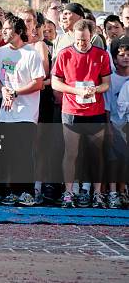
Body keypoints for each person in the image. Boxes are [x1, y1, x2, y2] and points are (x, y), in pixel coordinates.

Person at [52, 20, 111, 208]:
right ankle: (68, 192)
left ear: (91, 36)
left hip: (95, 110)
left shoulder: (101, 55)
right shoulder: (65, 54)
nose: (81, 44)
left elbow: (106, 83)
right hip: (71, 110)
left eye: (84, 40)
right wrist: (76, 91)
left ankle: (98, 194)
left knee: (96, 154)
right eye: (78, 40)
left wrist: (94, 89)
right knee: (71, 153)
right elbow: (55, 83)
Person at [0, 16, 45, 206]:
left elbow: (38, 83)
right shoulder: (0, 53)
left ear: (19, 31)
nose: (3, 32)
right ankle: (11, 191)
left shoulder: (31, 54)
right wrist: (4, 89)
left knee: (23, 153)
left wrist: (15, 92)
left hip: (26, 112)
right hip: (5, 112)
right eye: (3, 29)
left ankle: (27, 192)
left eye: (7, 29)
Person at [105, 38, 129, 208]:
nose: (126, 57)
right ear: (114, 59)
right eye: (121, 55)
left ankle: (123, 191)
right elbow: (106, 105)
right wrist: (108, 126)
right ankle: (112, 192)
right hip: (113, 123)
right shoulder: (111, 79)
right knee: (114, 159)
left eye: (128, 54)